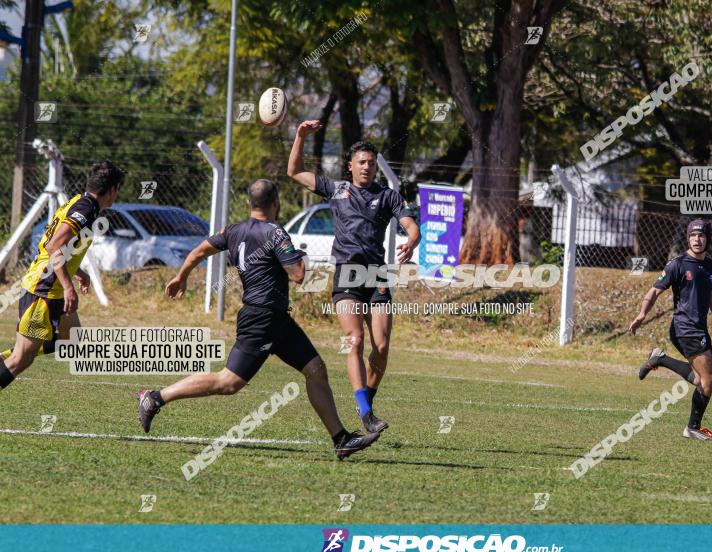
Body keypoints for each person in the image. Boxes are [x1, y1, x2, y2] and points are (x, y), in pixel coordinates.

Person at [136, 179, 380, 460]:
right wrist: (302, 258)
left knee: (316, 369)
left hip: (275, 318)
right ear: (275, 203)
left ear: (250, 204)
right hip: (262, 318)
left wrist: (182, 276)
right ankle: (155, 397)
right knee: (228, 382)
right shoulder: (276, 233)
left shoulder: (233, 230)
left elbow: (200, 250)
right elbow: (298, 275)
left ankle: (341, 439)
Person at [287, 121, 420, 434]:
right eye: (362, 162)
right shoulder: (337, 190)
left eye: (372, 163)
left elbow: (411, 226)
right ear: (350, 166)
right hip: (347, 273)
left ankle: (367, 405)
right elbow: (294, 172)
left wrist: (411, 241)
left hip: (378, 275)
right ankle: (365, 414)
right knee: (354, 340)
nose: (367, 167)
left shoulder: (388, 196)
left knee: (383, 347)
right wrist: (300, 137)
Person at [0, 160, 124, 388]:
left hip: (53, 287)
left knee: (73, 342)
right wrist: (68, 286)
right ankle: (15, 353)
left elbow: (57, 244)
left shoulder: (80, 202)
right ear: (113, 190)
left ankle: (14, 352)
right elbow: (54, 246)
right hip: (44, 289)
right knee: (20, 360)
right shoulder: (86, 210)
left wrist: (78, 272)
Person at [628, 218, 712, 440]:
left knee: (702, 380)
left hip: (700, 329)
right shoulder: (677, 264)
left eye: (701, 235)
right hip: (684, 328)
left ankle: (660, 359)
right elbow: (654, 291)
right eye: (693, 235)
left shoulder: (711, 267)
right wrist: (642, 314)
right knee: (711, 378)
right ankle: (692, 427)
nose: (697, 239)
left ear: (708, 239)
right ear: (688, 238)